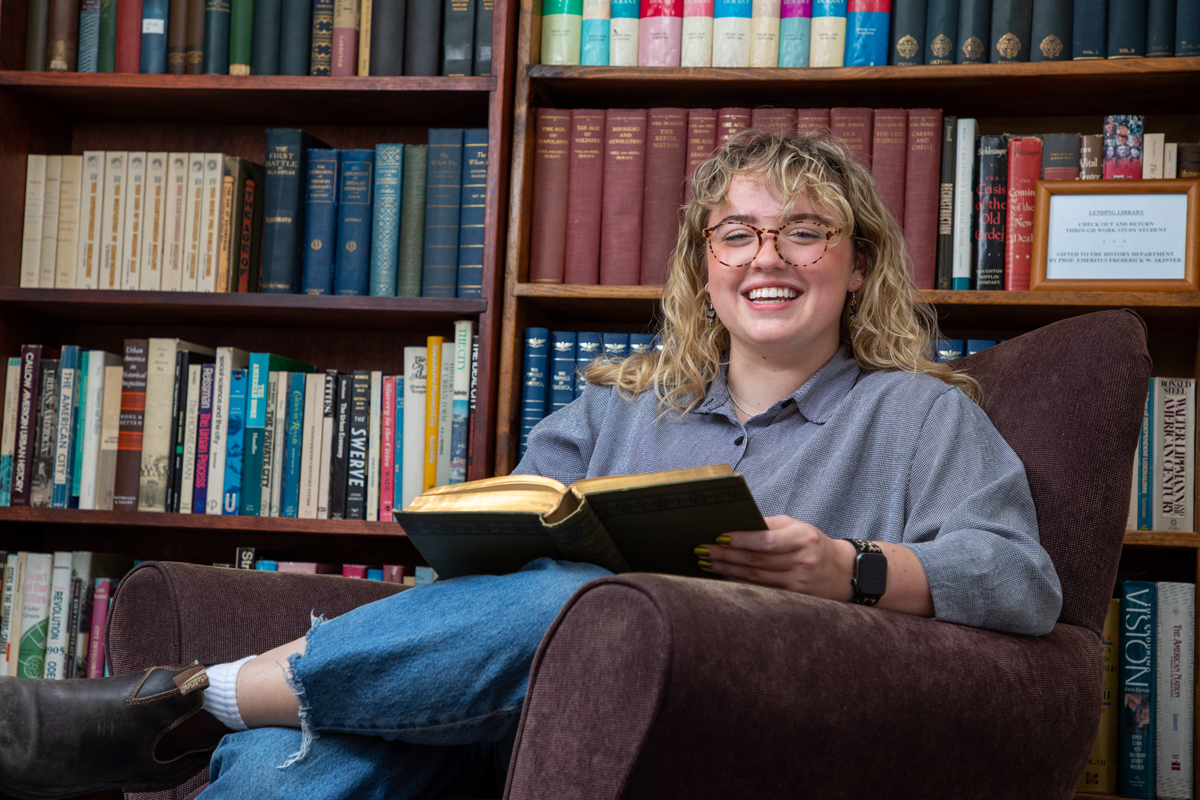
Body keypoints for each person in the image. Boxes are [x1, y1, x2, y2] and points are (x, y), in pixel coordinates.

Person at [0, 130, 1062, 800]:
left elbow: (1019, 577)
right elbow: (487, 569)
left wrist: (851, 567)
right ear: (704, 266)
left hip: (731, 715)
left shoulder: (920, 412)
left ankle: (198, 701)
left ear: (858, 262)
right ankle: (223, 711)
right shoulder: (617, 406)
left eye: (804, 233)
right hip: (510, 706)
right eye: (736, 235)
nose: (767, 258)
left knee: (576, 595)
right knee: (325, 756)